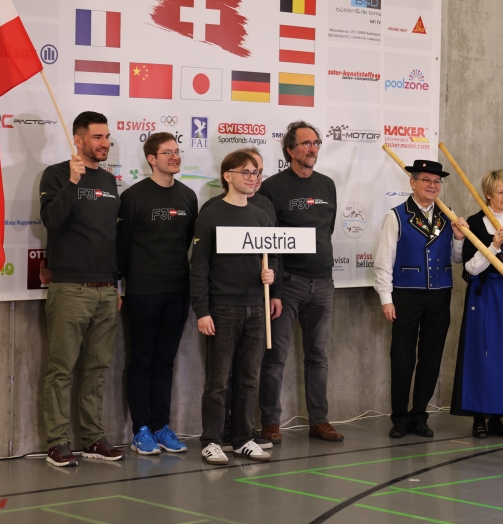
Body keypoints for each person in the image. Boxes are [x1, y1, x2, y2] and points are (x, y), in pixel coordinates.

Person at [39, 111, 125, 467]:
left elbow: (110, 236)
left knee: (97, 368)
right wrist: (73, 183)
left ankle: (92, 438)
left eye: (107, 137)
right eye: (97, 137)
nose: (105, 143)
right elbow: (51, 220)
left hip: (106, 289)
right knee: (61, 369)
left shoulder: (109, 180)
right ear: (78, 140)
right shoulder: (57, 174)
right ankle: (57, 442)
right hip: (70, 288)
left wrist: (116, 285)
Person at [257, 121, 343, 443]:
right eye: (306, 143)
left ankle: (319, 421)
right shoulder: (272, 188)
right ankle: (270, 422)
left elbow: (327, 230)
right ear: (290, 150)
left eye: (316, 143)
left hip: (323, 283)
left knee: (318, 357)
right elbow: (268, 242)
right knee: (275, 356)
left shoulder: (327, 185)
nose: (312, 149)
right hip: (287, 283)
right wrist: (276, 289)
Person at [191, 149, 277, 464]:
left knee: (249, 378)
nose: (253, 178)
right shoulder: (211, 214)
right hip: (223, 308)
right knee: (218, 381)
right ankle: (211, 440)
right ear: (228, 176)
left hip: (256, 307)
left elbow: (271, 257)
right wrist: (202, 310)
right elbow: (199, 267)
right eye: (246, 172)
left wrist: (270, 274)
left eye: (257, 173)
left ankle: (242, 439)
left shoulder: (261, 216)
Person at [373, 160, 467, 438]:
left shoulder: (448, 215)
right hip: (406, 294)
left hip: (440, 295)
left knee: (431, 356)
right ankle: (400, 418)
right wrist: (386, 298)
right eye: (426, 180)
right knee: (402, 357)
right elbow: (384, 261)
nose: (432, 185)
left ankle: (419, 415)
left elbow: (457, 258)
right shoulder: (397, 216)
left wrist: (459, 238)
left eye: (437, 181)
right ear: (412, 183)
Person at [117, 132, 197, 455]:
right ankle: (141, 430)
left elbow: (190, 244)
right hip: (142, 293)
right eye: (168, 152)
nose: (175, 157)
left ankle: (162, 426)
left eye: (177, 151)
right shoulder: (133, 197)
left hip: (177, 292)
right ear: (152, 159)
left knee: (165, 362)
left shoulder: (188, 196)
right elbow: (122, 246)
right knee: (141, 360)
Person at [451, 170, 503, 439]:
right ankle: (479, 416)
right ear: (488, 194)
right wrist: (494, 246)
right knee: (482, 355)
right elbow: (469, 269)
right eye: (501, 192)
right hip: (485, 296)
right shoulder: (474, 224)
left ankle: (498, 417)